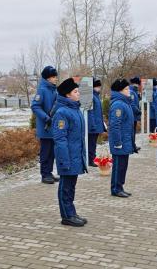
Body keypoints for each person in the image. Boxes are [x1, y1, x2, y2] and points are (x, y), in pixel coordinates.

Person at [53, 78, 87, 227]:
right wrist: (64, 160)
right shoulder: (62, 112)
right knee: (65, 187)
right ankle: (66, 216)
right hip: (67, 157)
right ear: (67, 95)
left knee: (71, 187)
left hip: (75, 156)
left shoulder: (75, 109)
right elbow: (60, 139)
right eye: (75, 91)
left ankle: (71, 212)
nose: (78, 93)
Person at [31, 66, 59, 184]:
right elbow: (35, 106)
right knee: (45, 152)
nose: (56, 79)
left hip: (54, 126)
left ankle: (49, 172)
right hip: (45, 126)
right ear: (48, 78)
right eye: (53, 77)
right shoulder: (42, 90)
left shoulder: (54, 89)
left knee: (52, 152)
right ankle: (44, 174)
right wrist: (46, 118)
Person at [108, 79, 134, 197]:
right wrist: (117, 142)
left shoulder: (125, 103)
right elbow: (115, 125)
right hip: (120, 141)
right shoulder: (118, 104)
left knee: (123, 166)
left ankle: (120, 186)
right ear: (120, 91)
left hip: (125, 139)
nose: (129, 91)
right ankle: (115, 188)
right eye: (126, 89)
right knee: (118, 166)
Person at [88, 78, 106, 167]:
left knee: (93, 143)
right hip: (93, 126)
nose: (99, 88)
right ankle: (90, 160)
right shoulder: (91, 97)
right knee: (91, 143)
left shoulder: (96, 96)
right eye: (97, 87)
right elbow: (90, 112)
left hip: (96, 124)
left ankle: (92, 158)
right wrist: (92, 125)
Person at [129, 77, 142, 152]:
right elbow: (133, 104)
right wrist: (139, 111)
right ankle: (132, 146)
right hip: (133, 115)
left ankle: (133, 145)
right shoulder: (132, 92)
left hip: (134, 115)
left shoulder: (134, 91)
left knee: (133, 131)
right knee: (132, 132)